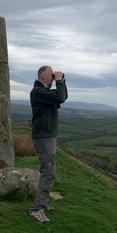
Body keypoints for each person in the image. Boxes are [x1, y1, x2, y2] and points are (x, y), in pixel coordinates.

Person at [29, 65, 68, 224]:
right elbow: (59, 97)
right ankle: (36, 209)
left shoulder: (44, 92)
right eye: (52, 76)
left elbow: (62, 97)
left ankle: (42, 203)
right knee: (48, 171)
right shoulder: (38, 92)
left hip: (48, 136)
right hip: (44, 137)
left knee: (49, 170)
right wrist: (58, 81)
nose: (53, 78)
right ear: (44, 76)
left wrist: (62, 82)